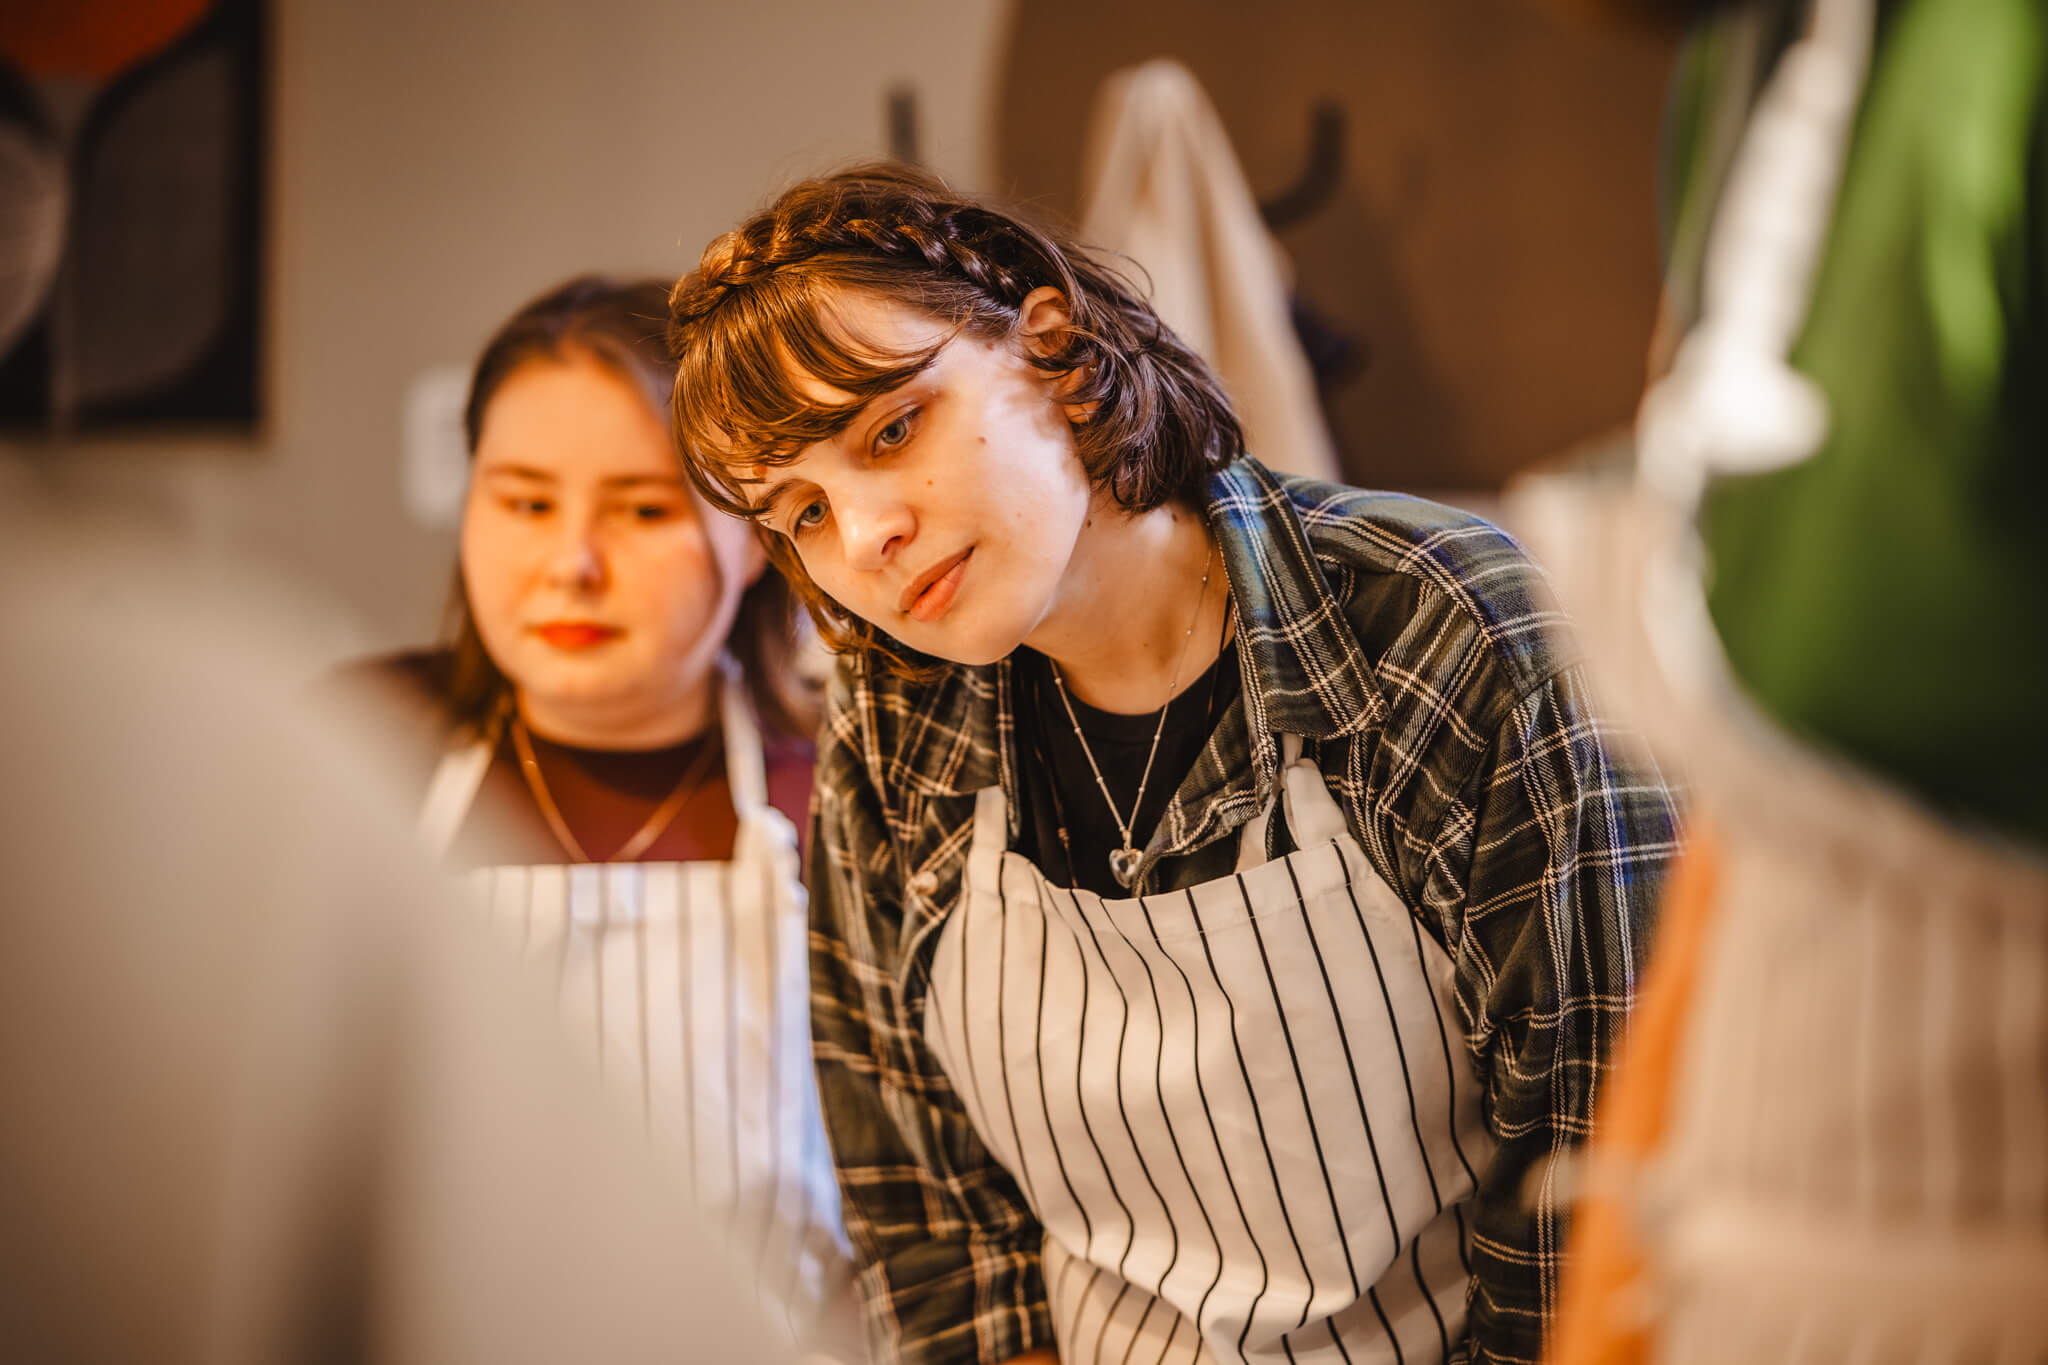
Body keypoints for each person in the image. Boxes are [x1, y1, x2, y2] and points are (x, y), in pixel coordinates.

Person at [663, 164, 1680, 1365]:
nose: (866, 537)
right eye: (803, 514)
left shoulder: (1437, 627)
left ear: (1048, 345)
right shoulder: (896, 714)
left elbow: (1593, 1176)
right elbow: (928, 1209)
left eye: (893, 429)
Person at [338, 276, 856, 1355]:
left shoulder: (844, 794)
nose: (571, 564)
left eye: (643, 509)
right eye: (525, 504)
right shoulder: (355, 757)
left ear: (757, 536)